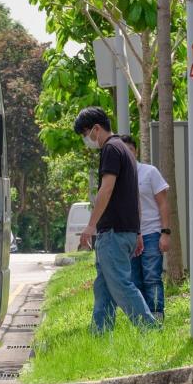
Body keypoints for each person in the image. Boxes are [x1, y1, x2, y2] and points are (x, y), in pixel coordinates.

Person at [74, 107, 157, 333]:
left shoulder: (110, 149)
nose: (86, 140)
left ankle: (150, 330)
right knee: (103, 288)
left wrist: (90, 226)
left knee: (120, 286)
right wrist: (137, 231)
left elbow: (106, 190)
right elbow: (134, 197)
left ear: (96, 128)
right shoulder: (125, 150)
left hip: (114, 233)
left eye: (85, 134)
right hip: (126, 230)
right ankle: (100, 334)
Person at [120, 135, 171, 322]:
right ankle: (142, 318)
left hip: (151, 233)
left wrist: (165, 233)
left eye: (130, 150)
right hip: (129, 236)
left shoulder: (150, 172)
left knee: (152, 277)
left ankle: (157, 315)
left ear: (136, 151)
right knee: (134, 280)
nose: (127, 154)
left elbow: (163, 204)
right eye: (123, 151)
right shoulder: (117, 177)